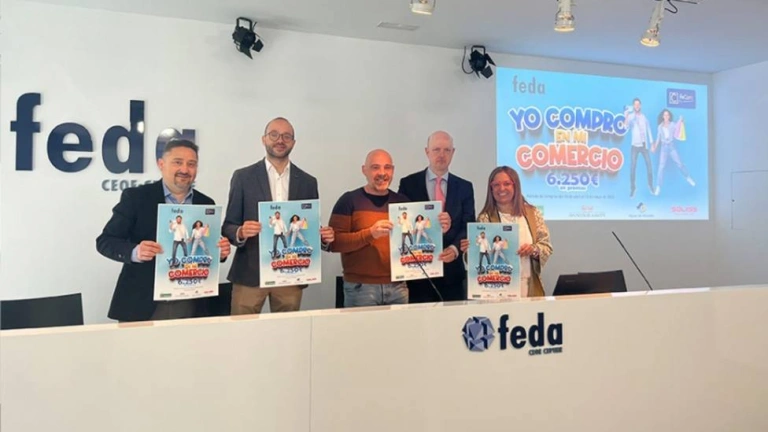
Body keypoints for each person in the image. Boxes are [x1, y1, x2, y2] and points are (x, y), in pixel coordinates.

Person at [96, 139, 231, 322]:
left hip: (192, 302)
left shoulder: (206, 203)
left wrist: (220, 251)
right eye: (177, 162)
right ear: (161, 164)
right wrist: (136, 251)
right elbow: (105, 241)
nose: (185, 169)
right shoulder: (136, 197)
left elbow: (206, 245)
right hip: (142, 303)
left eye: (191, 164)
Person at [222, 117, 334, 315]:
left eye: (286, 136)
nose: (280, 140)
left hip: (291, 273)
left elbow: (309, 228)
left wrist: (323, 238)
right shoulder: (243, 177)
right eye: (274, 135)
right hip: (250, 273)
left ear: (293, 142)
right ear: (264, 139)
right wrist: (240, 231)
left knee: (287, 331)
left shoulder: (308, 182)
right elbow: (228, 226)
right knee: (242, 330)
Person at [328, 149, 451, 307]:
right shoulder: (349, 200)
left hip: (398, 287)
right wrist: (370, 233)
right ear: (364, 170)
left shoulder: (402, 202)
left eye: (387, 167)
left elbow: (416, 241)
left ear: (392, 170)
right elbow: (334, 243)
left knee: (400, 325)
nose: (382, 173)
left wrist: (439, 230)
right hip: (360, 288)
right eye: (375, 167)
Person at [398, 131, 475, 302]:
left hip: (452, 274)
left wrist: (455, 249)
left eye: (447, 150)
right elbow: (401, 223)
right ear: (427, 152)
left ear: (453, 153)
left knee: (453, 319)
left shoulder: (465, 187)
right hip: (417, 273)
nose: (441, 155)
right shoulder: (408, 184)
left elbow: (468, 225)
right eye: (436, 149)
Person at [461, 166, 553, 297]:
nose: (502, 188)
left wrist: (533, 250)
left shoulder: (533, 213)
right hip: (498, 290)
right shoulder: (485, 218)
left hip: (529, 288)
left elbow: (546, 246)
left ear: (515, 186)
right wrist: (469, 251)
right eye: (496, 185)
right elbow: (476, 259)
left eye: (507, 184)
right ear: (491, 189)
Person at [652, 109, 695, 195]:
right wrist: (655, 147)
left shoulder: (672, 124)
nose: (666, 116)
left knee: (679, 164)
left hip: (671, 147)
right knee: (661, 167)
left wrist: (681, 120)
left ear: (669, 116)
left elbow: (679, 127)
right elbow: (658, 138)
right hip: (663, 148)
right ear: (663, 116)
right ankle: (658, 186)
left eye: (667, 115)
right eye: (665, 115)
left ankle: (688, 177)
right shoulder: (660, 127)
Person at [624, 98, 656, 197]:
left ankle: (650, 185)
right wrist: (626, 116)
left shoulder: (644, 117)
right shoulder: (631, 116)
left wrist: (652, 143)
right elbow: (625, 127)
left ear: (640, 106)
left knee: (649, 166)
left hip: (644, 145)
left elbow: (648, 130)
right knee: (633, 167)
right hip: (635, 146)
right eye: (635, 104)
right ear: (633, 106)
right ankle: (633, 188)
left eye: (638, 104)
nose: (637, 106)